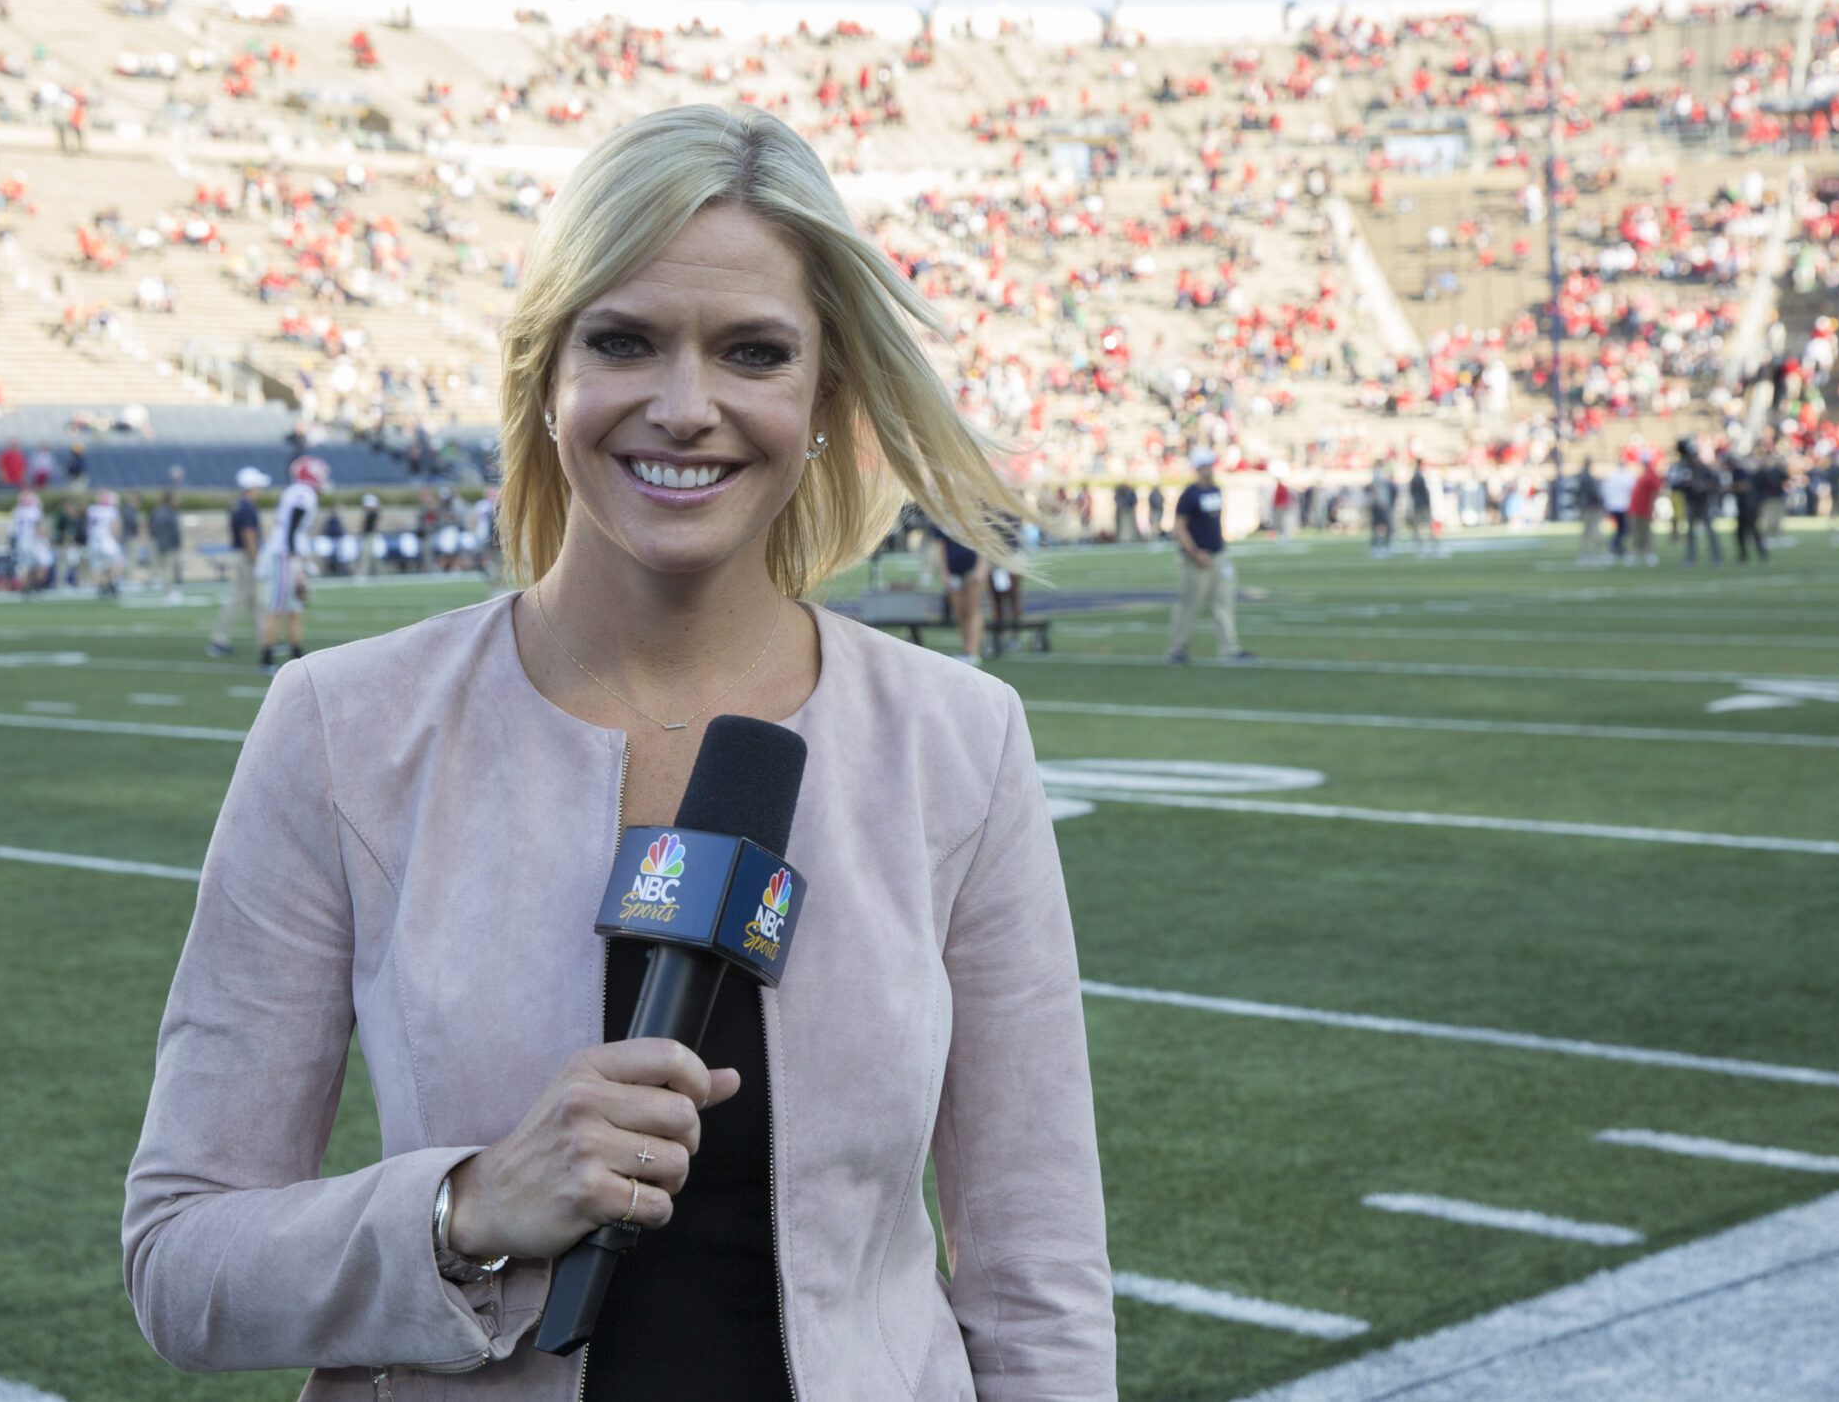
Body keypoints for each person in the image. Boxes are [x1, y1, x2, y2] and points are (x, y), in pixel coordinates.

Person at [123, 104, 1113, 1398]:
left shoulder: (957, 741)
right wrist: (464, 1204)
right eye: (626, 339)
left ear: (824, 397)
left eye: (754, 351)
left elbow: (1038, 1281)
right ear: (547, 374)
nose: (686, 404)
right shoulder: (341, 727)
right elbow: (180, 1257)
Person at [1167, 448, 1251, 664]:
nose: (1210, 470)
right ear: (1198, 468)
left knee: (1223, 603)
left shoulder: (1216, 490)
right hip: (1196, 559)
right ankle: (1178, 648)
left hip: (1218, 555)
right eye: (1206, 466)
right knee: (1190, 603)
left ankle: (1230, 649)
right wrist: (1195, 553)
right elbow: (1179, 527)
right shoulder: (1189, 495)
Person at [256, 454, 325, 670]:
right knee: (277, 607)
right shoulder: (302, 492)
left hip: (289, 553)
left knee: (295, 607)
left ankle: (298, 657)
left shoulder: (299, 491)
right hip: (285, 554)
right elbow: (294, 525)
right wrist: (297, 559)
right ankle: (266, 658)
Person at [207, 469, 264, 655]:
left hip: (243, 555)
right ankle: (219, 638)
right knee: (239, 598)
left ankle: (265, 639)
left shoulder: (238, 505)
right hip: (246, 557)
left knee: (255, 600)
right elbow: (248, 534)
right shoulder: (246, 507)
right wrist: (256, 559)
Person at [928, 516, 985, 661]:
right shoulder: (940, 515)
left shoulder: (972, 511)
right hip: (953, 571)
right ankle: (966, 648)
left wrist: (980, 568)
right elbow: (940, 545)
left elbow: (983, 542)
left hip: (971, 568)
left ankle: (973, 651)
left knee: (972, 609)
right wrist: (944, 572)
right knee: (959, 611)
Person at [86, 488, 126, 596]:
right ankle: (113, 584)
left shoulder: (92, 509)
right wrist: (117, 538)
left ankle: (100, 588)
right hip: (106, 540)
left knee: (98, 566)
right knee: (118, 562)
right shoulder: (111, 511)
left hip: (93, 540)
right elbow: (114, 527)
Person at [148, 490, 184, 597]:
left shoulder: (157, 512)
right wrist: (178, 543)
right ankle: (168, 593)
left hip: (160, 543)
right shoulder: (170, 513)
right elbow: (175, 531)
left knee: (164, 569)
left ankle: (166, 591)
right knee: (169, 570)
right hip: (170, 545)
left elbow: (153, 527)